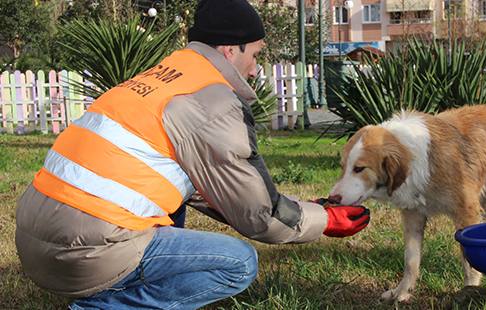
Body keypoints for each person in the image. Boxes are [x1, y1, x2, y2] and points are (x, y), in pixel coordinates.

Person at [13, 0, 370, 308]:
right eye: (256, 53)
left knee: (177, 201)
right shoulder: (212, 101)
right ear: (231, 50)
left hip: (34, 244)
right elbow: (258, 215)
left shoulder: (156, 80)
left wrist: (307, 207)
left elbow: (216, 192)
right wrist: (326, 221)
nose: (256, 68)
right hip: (84, 253)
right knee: (239, 264)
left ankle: (117, 281)